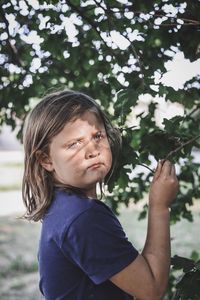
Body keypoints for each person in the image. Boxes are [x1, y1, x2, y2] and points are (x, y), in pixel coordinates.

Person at [22, 89, 179, 300]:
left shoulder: (63, 206)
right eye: (74, 143)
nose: (93, 149)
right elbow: (151, 290)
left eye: (97, 136)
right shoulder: (82, 217)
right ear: (46, 160)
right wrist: (160, 206)